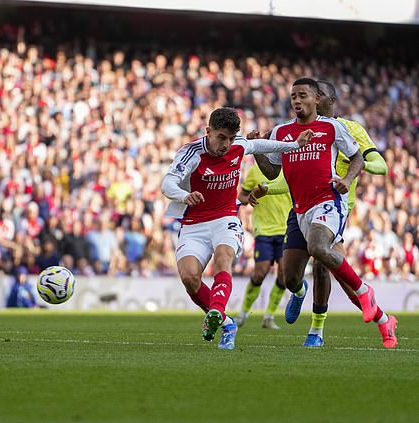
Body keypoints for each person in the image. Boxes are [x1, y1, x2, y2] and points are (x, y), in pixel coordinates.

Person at [250, 80, 396, 347]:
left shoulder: (339, 128)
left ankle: (323, 326)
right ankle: (379, 317)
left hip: (331, 204)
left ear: (321, 99)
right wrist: (257, 150)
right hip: (299, 209)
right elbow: (274, 171)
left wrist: (346, 178)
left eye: (302, 95)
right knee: (290, 277)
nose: (296, 100)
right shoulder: (281, 132)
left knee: (320, 256)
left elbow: (364, 159)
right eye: (293, 96)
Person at [160, 107, 312, 350]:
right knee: (189, 277)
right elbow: (167, 183)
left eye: (231, 138)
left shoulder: (238, 145)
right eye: (221, 137)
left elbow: (262, 146)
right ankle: (227, 323)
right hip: (194, 223)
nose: (227, 144)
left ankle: (216, 313)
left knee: (223, 259)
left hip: (226, 217)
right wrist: (184, 195)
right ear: (208, 131)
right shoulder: (191, 153)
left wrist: (294, 146)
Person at [234, 160, 291, 330]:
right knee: (260, 272)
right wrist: (250, 197)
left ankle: (269, 316)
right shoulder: (254, 171)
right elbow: (241, 197)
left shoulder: (289, 167)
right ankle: (243, 313)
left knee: (284, 274)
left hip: (287, 228)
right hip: (264, 229)